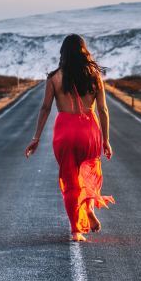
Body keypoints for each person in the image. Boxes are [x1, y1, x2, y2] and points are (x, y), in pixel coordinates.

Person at [25, 34, 114, 241]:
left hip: (64, 132)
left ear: (63, 53)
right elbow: (103, 110)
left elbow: (46, 108)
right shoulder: (94, 76)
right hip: (89, 131)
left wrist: (36, 137)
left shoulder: (54, 77)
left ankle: (76, 230)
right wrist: (106, 140)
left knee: (70, 178)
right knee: (89, 172)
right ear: (84, 51)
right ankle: (89, 205)